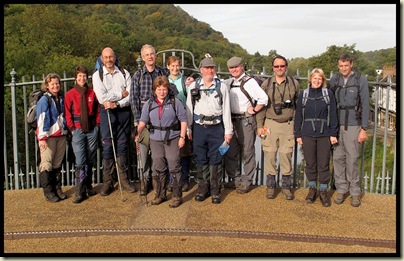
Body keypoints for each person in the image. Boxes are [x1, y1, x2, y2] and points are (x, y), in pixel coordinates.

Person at [186, 56, 233, 204]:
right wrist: (188, 128)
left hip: (217, 128)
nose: (210, 70)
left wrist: (228, 131)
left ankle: (215, 190)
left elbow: (226, 109)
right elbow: (189, 109)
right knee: (201, 159)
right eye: (207, 68)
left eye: (212, 67)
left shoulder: (222, 86)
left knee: (216, 159)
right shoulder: (193, 86)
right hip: (199, 127)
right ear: (201, 70)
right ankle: (202, 189)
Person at [135, 76, 187, 208]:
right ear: (155, 90)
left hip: (172, 137)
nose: (162, 92)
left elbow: (183, 120)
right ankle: (160, 194)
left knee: (174, 165)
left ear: (168, 89)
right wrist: (139, 132)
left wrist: (182, 137)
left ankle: (176, 195)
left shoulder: (175, 102)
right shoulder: (149, 103)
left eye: (164, 89)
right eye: (159, 89)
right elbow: (143, 121)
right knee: (158, 166)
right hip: (155, 138)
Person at [92, 47, 136, 196]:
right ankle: (108, 182)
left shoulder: (124, 73)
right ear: (102, 59)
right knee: (107, 146)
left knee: (122, 145)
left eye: (111, 57)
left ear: (115, 57)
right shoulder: (97, 76)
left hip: (122, 111)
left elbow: (129, 96)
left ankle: (124, 180)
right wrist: (119, 94)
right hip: (107, 112)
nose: (109, 60)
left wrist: (116, 102)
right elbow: (101, 97)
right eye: (106, 57)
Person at [255, 55, 300, 200]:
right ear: (273, 68)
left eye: (282, 66)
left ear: (286, 67)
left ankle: (286, 187)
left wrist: (297, 127)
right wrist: (259, 126)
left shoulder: (294, 83)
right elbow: (261, 107)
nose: (279, 69)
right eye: (276, 66)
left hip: (288, 123)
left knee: (286, 154)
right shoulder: (266, 84)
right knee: (270, 153)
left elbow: (299, 107)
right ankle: (270, 186)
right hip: (270, 123)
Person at [329, 53, 370, 207]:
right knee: (338, 158)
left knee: (352, 159)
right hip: (337, 124)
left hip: (354, 124)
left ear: (351, 64)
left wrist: (364, 128)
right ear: (338, 66)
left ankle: (354, 192)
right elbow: (330, 103)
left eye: (346, 65)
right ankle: (341, 189)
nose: (344, 68)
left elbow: (366, 104)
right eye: (341, 66)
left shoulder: (361, 80)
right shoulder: (334, 80)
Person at [223, 56, 268, 194]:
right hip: (231, 121)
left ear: (242, 66)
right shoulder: (228, 82)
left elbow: (264, 98)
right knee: (230, 152)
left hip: (246, 121)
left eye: (236, 67)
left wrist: (254, 110)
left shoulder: (250, 82)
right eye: (231, 68)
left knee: (248, 152)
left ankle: (247, 180)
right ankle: (235, 179)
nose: (234, 70)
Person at [294, 68, 338, 207]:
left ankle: (323, 191)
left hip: (324, 133)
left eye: (320, 78)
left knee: (324, 163)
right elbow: (299, 115)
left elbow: (333, 114)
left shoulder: (328, 94)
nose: (317, 81)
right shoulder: (304, 94)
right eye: (315, 78)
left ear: (323, 80)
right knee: (310, 163)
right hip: (307, 133)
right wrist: (298, 134)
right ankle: (312, 189)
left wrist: (333, 133)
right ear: (310, 79)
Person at [130, 44, 170, 196]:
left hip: (160, 122)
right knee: (143, 154)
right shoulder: (138, 75)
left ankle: (157, 180)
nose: (150, 57)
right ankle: (144, 181)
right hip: (143, 122)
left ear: (155, 55)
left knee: (158, 154)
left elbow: (171, 90)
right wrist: (139, 121)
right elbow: (133, 99)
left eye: (152, 54)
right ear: (143, 57)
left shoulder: (162, 72)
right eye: (147, 55)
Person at [65, 65, 100, 203]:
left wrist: (97, 125)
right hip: (78, 129)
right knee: (80, 159)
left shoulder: (92, 93)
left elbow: (97, 110)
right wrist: (72, 129)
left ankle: (88, 185)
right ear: (76, 78)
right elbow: (67, 113)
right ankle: (79, 191)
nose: (82, 78)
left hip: (91, 128)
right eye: (79, 76)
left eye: (84, 76)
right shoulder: (70, 94)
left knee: (90, 157)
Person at [36, 73, 68, 202]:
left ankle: (57, 188)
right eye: (52, 84)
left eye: (57, 83)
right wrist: (42, 138)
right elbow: (42, 118)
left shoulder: (60, 98)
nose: (55, 86)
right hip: (48, 136)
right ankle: (48, 191)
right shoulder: (44, 100)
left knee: (57, 164)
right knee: (46, 164)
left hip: (60, 135)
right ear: (47, 85)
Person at [167, 56, 192, 192]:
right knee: (171, 153)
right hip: (169, 121)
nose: (175, 68)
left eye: (177, 65)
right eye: (172, 66)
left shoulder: (185, 81)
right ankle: (173, 181)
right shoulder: (165, 80)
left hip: (183, 120)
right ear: (168, 67)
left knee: (184, 153)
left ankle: (185, 180)